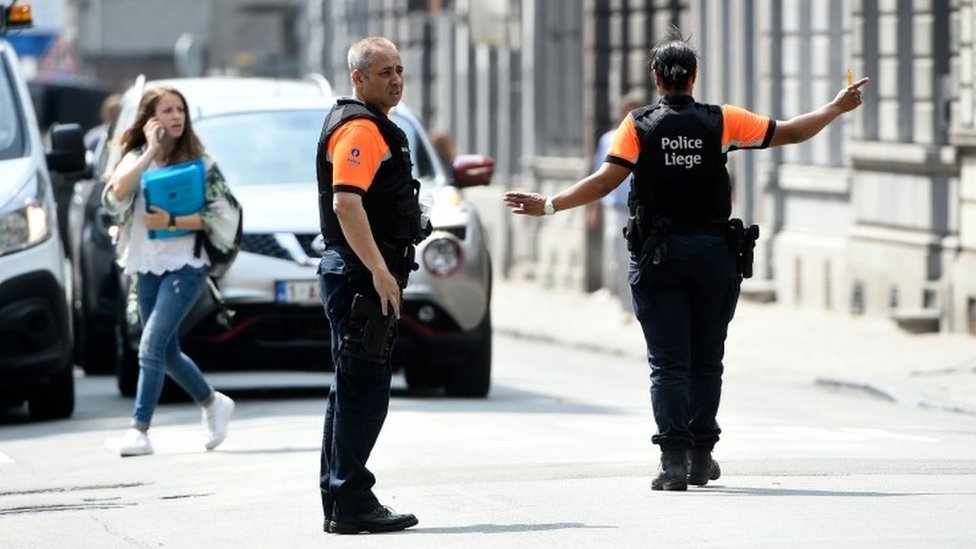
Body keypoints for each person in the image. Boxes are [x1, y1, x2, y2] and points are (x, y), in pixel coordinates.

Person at [504, 30, 868, 491]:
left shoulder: (637, 125)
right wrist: (836, 107)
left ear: (657, 78)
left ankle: (673, 462)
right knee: (707, 359)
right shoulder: (722, 121)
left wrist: (550, 205)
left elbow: (603, 181)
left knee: (668, 362)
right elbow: (791, 131)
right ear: (694, 77)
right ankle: (701, 456)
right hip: (715, 255)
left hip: (659, 258)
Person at [314, 36, 427, 534]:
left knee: (350, 388)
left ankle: (340, 500)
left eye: (400, 70)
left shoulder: (378, 126)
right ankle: (352, 500)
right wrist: (381, 271)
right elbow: (346, 202)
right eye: (385, 72)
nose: (397, 80)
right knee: (364, 390)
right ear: (358, 78)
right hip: (362, 277)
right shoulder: (359, 127)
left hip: (361, 274)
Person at [102, 86, 235, 457]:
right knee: (168, 350)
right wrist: (148, 153)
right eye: (168, 110)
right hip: (146, 261)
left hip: (187, 263)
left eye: (180, 110)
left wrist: (173, 220)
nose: (176, 117)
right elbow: (113, 197)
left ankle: (139, 429)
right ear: (149, 119)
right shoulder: (134, 157)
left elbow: (224, 214)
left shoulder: (201, 162)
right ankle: (213, 404)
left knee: (151, 343)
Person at [594, 90, 645, 317]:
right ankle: (626, 306)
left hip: (643, 207)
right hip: (616, 208)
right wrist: (594, 207)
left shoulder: (647, 135)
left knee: (643, 256)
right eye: (628, 108)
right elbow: (598, 176)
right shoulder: (609, 139)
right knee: (620, 257)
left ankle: (641, 303)